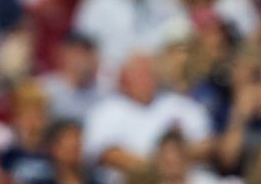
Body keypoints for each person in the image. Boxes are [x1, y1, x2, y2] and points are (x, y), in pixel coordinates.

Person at [85, 54, 213, 183]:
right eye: (138, 74)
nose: (145, 80)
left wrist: (171, 160)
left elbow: (205, 146)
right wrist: (162, 164)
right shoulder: (106, 111)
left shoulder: (181, 105)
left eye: (148, 73)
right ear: (125, 78)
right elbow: (107, 155)